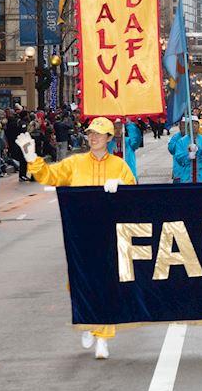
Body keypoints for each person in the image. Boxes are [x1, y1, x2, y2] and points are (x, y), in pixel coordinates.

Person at [17, 116, 135, 359]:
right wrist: (32, 158)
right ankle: (88, 323)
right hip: (81, 232)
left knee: (106, 283)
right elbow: (49, 175)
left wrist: (122, 185)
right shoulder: (75, 163)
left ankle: (103, 338)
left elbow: (133, 193)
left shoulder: (119, 165)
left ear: (109, 138)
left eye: (99, 134)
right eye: (91, 133)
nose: (93, 137)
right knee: (78, 282)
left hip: (109, 233)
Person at [169, 119, 202, 183]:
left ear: (199, 126)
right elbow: (178, 158)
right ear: (188, 127)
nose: (194, 126)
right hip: (187, 177)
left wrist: (199, 149)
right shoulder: (181, 141)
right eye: (192, 124)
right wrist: (188, 156)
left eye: (196, 124)